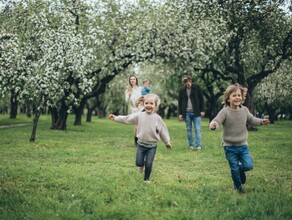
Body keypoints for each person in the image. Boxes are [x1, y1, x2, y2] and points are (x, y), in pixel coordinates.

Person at [209, 83, 270, 193]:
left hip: (243, 146)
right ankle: (238, 188)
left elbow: (252, 120)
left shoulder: (244, 110)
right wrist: (213, 125)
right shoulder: (225, 112)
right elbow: (217, 120)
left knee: (248, 165)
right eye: (234, 95)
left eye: (239, 95)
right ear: (228, 99)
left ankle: (240, 170)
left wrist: (261, 121)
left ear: (242, 97)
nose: (237, 97)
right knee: (234, 169)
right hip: (229, 147)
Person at [108, 94, 172, 183]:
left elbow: (163, 131)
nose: (148, 105)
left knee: (149, 164)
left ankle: (146, 179)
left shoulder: (157, 118)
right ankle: (141, 166)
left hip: (152, 146)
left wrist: (167, 142)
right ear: (143, 104)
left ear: (155, 105)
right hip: (140, 145)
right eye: (146, 103)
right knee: (138, 163)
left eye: (151, 103)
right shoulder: (140, 115)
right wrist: (116, 118)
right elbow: (127, 119)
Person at [178, 75, 205, 151]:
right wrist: (180, 113)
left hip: (196, 112)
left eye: (189, 81)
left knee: (197, 129)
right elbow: (180, 103)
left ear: (191, 81)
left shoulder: (197, 87)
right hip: (187, 113)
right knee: (189, 129)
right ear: (184, 83)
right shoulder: (182, 90)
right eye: (186, 82)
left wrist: (202, 110)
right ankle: (191, 146)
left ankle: (198, 146)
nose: (188, 83)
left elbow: (202, 99)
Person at [125, 75, 143, 145]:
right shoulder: (128, 90)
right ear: (129, 81)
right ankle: (136, 141)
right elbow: (126, 101)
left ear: (136, 80)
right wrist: (129, 96)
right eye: (131, 79)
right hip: (134, 109)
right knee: (136, 126)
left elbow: (144, 96)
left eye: (134, 79)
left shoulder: (140, 88)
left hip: (141, 108)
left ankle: (141, 140)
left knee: (141, 125)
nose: (132, 80)